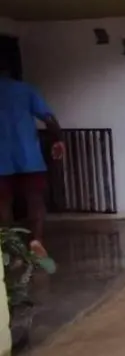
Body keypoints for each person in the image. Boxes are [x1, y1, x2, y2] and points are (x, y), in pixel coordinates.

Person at [0, 56, 64, 259]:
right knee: (35, 201)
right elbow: (48, 118)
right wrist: (58, 139)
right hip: (29, 157)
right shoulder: (26, 90)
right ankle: (36, 241)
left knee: (3, 204)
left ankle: (10, 248)